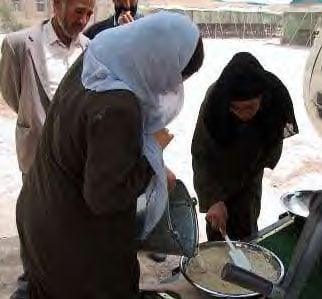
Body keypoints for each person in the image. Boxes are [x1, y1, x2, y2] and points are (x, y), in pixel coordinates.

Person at [15, 11, 203, 298]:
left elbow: (91, 144)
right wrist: (149, 161)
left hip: (40, 208)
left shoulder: (102, 55)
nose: (169, 87)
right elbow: (105, 197)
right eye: (173, 77)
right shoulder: (118, 106)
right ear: (159, 61)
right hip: (72, 237)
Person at [0, 1, 95, 298]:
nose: (84, 20)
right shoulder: (18, 44)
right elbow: (12, 93)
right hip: (37, 156)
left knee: (71, 225)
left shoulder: (91, 49)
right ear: (57, 5)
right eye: (78, 11)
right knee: (36, 223)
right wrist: (37, 121)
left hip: (76, 160)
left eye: (89, 13)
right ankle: (32, 285)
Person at [191, 52, 298, 241]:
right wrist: (213, 199)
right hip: (218, 171)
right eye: (235, 108)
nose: (242, 115)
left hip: (250, 173)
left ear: (262, 99)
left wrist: (245, 181)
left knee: (246, 226)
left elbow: (271, 149)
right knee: (218, 231)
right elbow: (201, 154)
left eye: (249, 108)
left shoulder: (274, 102)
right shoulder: (216, 101)